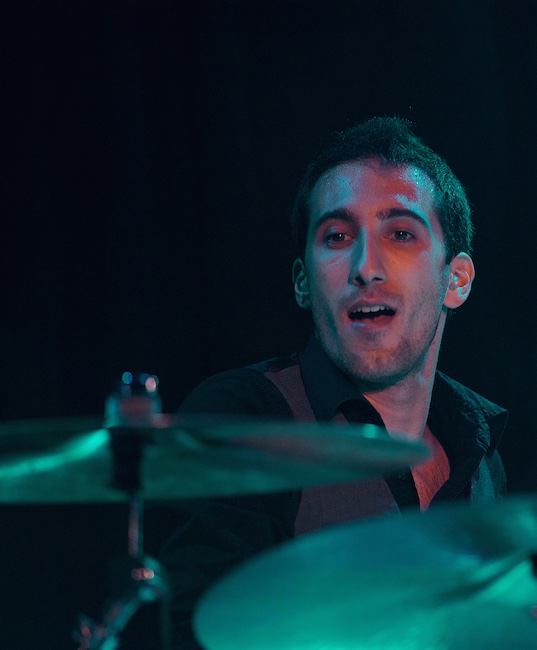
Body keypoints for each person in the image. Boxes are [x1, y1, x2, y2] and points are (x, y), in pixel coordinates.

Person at [133, 116, 507, 649]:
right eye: (337, 237)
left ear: (457, 279)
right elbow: (201, 630)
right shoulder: (245, 415)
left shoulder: (479, 451)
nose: (365, 267)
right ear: (304, 282)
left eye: (401, 234)